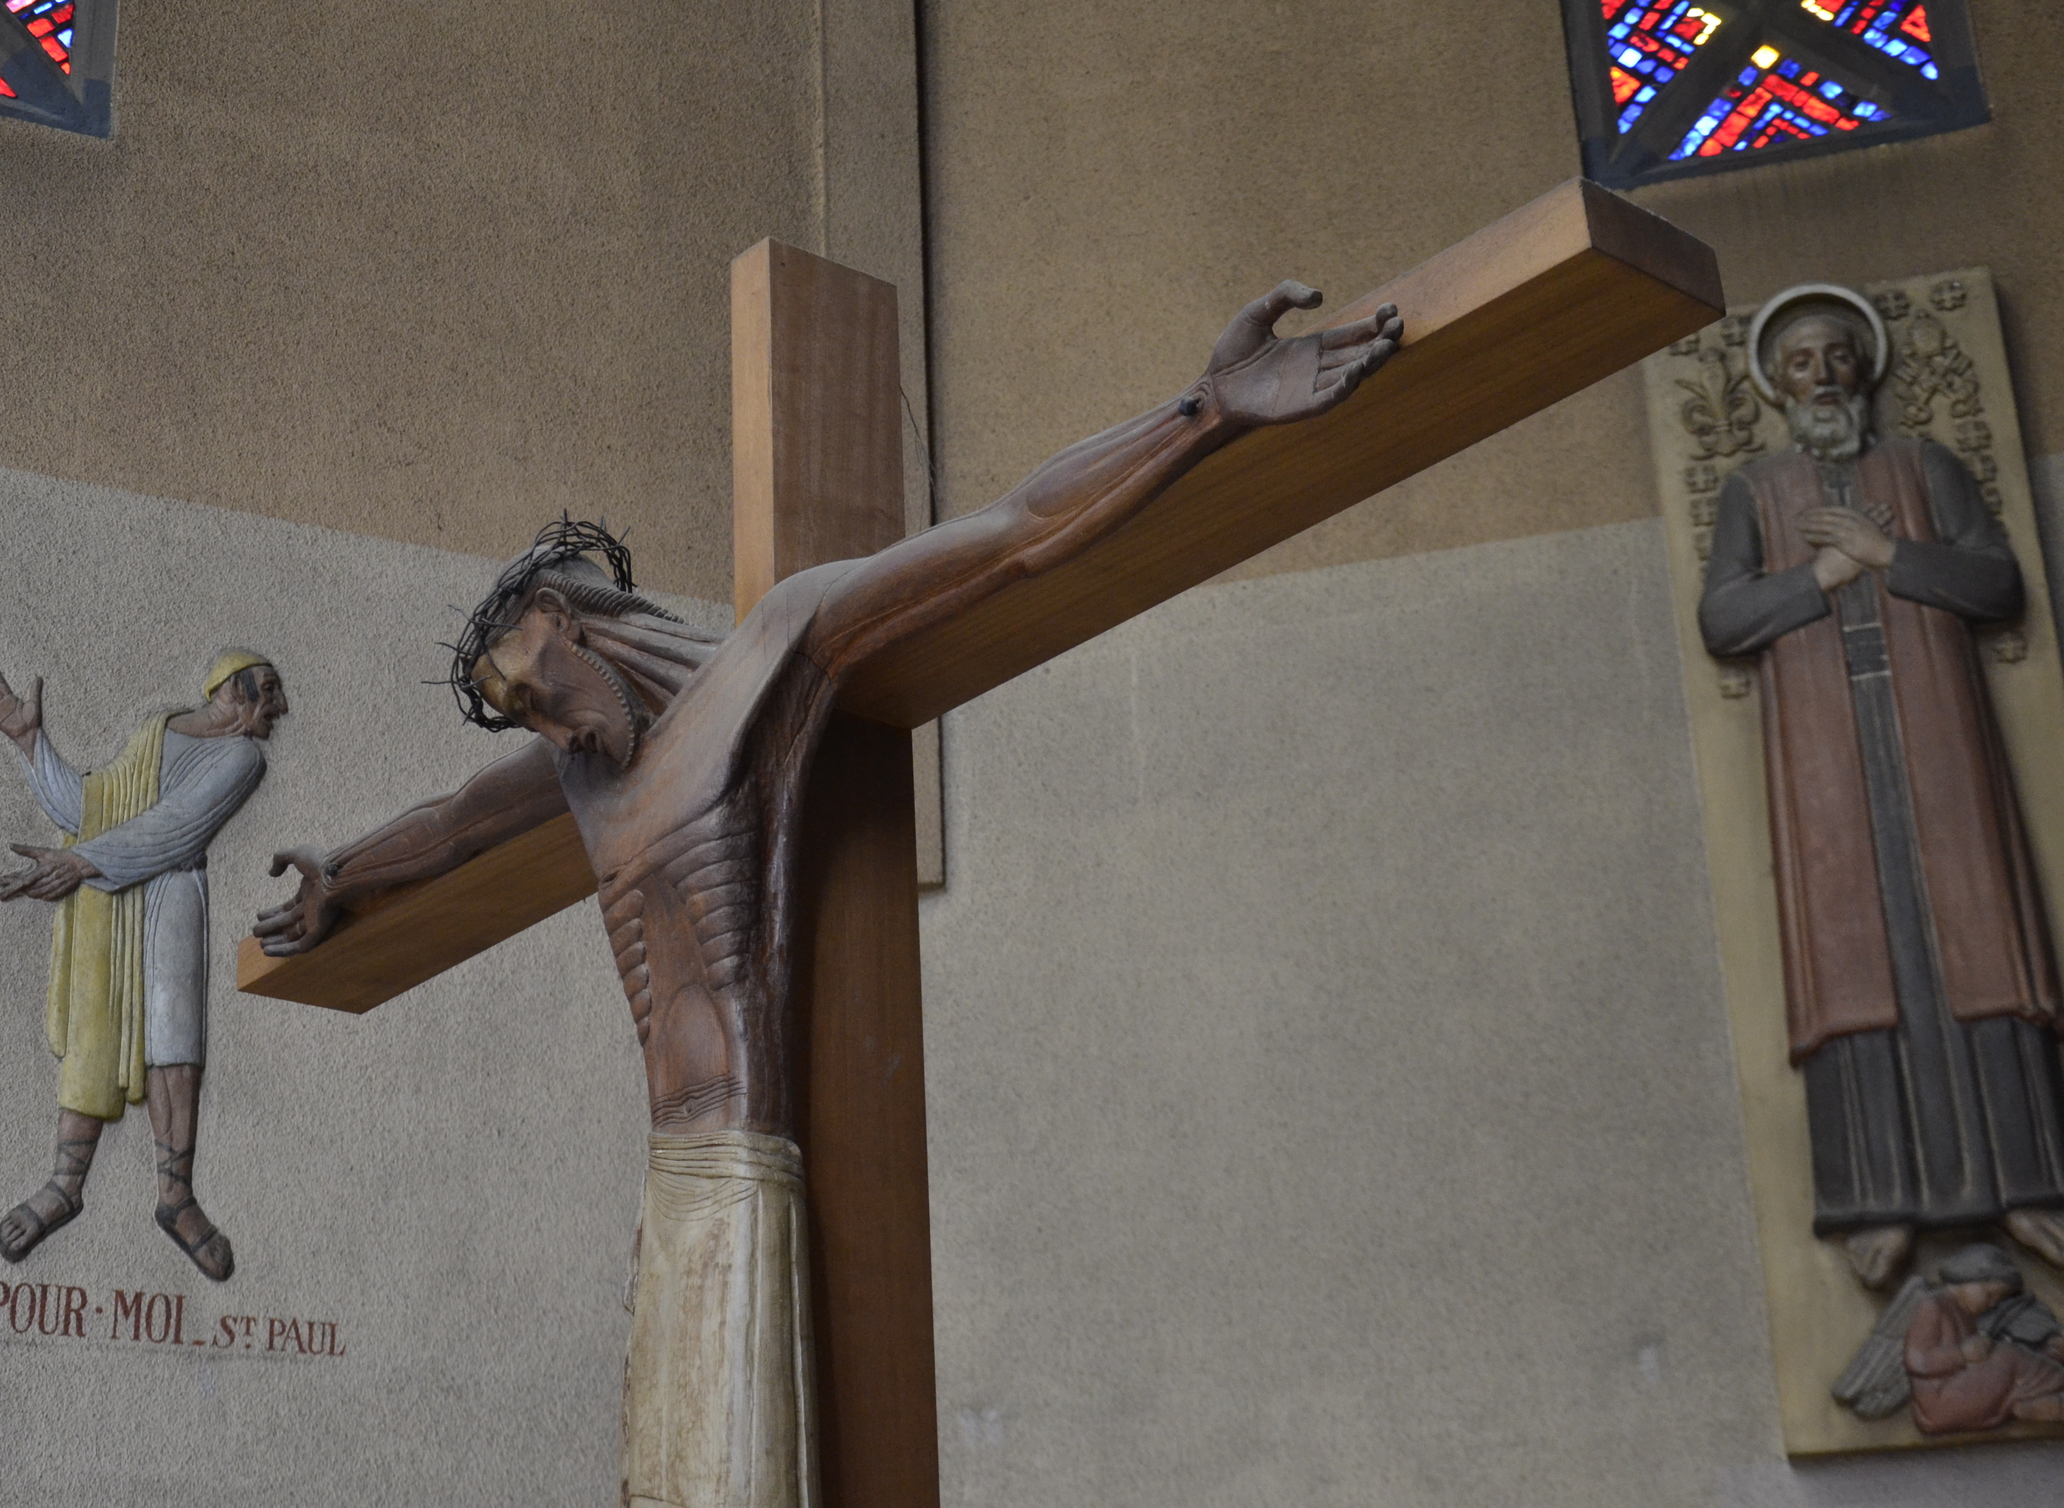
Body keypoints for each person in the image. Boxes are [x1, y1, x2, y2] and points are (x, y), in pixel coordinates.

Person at [252, 284, 1401, 1508]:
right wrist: (344, 878)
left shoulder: (773, 657)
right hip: (672, 1177)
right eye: (523, 715)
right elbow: (451, 829)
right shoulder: (581, 779)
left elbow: (1012, 534)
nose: (547, 727)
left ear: (562, 617)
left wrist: (1204, 410)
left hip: (747, 1167)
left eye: (538, 690)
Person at [1699, 290, 2064, 1291]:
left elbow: (1998, 586)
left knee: (1975, 929)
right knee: (1854, 947)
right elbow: (1725, 618)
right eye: (1803, 362)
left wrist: (1888, 555)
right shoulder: (1757, 492)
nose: (1824, 376)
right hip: (1820, 745)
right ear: (1777, 386)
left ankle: (2028, 1177)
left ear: (1866, 371)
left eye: (1840, 357)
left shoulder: (1922, 469)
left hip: (1938, 731)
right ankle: (1880, 1198)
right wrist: (1821, 574)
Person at [0, 649, 286, 1280]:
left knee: (173, 1041)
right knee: (94, 1021)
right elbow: (87, 808)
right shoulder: (157, 730)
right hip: (108, 898)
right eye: (268, 691)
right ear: (232, 689)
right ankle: (64, 1185)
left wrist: (81, 862)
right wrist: (31, 743)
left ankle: (175, 1198)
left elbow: (180, 827)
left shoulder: (241, 757)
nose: (280, 706)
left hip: (171, 898)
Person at [1904, 1242, 2064, 1433]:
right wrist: (1962, 1355)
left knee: (2008, 1354)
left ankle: (2037, 1405)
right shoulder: (1932, 1306)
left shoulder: (1966, 1313)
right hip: (1940, 1403)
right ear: (1968, 1277)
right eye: (1990, 1294)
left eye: (1997, 1299)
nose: (1992, 1303)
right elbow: (1916, 1360)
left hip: (1956, 1396)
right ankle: (2056, 1385)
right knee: (2007, 1356)